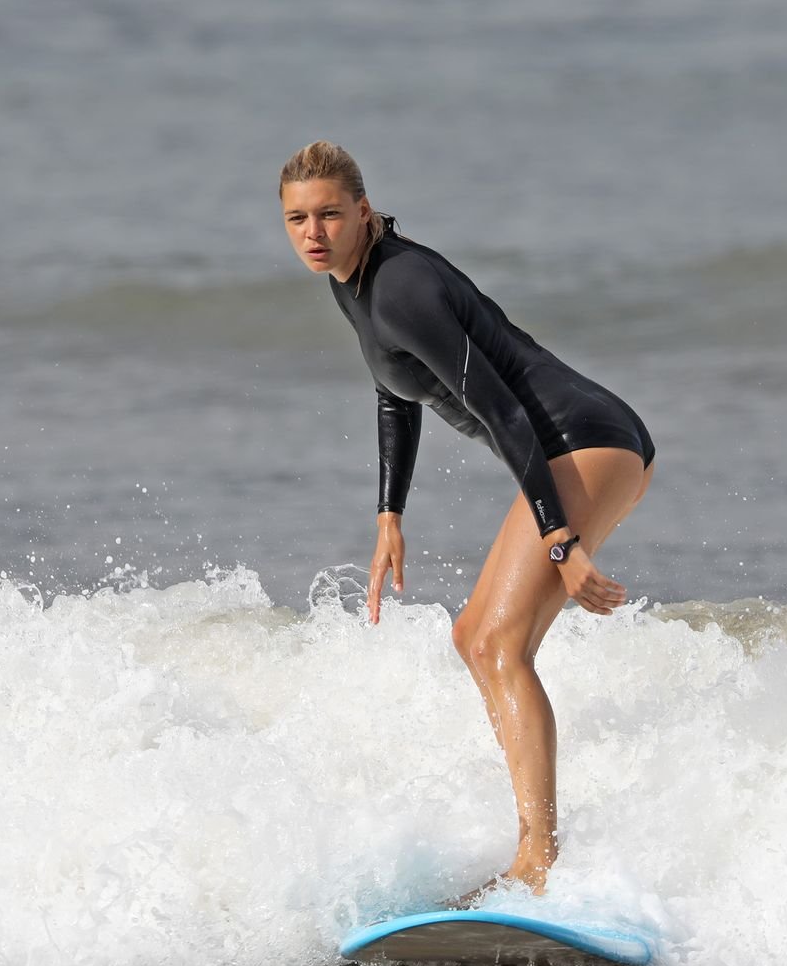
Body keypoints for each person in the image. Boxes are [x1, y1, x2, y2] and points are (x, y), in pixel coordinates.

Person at [278, 141, 656, 901]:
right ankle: (534, 850)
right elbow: (394, 387)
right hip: (565, 448)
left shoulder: (401, 287)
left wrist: (561, 541)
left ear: (362, 211)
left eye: (328, 215)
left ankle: (540, 862)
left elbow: (504, 409)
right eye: (296, 219)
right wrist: (390, 513)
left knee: (498, 643)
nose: (313, 233)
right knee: (473, 639)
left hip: (585, 440)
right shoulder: (352, 280)